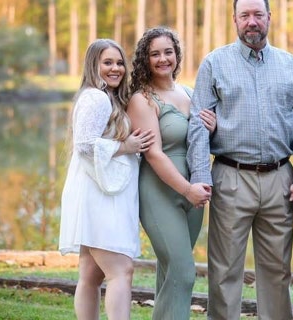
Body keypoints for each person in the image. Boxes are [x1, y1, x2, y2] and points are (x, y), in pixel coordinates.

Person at [186, 0, 293, 318]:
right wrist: (200, 174)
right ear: (235, 20)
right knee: (225, 270)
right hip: (230, 176)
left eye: (258, 14)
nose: (252, 22)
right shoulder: (215, 63)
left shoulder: (292, 66)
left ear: (269, 18)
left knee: (277, 271)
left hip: (280, 178)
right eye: (245, 15)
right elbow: (198, 123)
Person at [59, 38, 154, 320]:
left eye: (119, 62)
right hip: (100, 195)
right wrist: (127, 147)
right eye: (107, 63)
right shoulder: (97, 98)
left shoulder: (103, 96)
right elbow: (85, 145)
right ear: (93, 65)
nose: (116, 69)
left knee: (91, 274)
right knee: (121, 271)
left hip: (98, 191)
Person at [126, 26, 212, 320]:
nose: (163, 59)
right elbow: (154, 154)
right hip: (161, 192)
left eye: (168, 52)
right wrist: (187, 189)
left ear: (177, 54)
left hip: (193, 194)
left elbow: (200, 141)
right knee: (183, 272)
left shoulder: (189, 92)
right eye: (155, 54)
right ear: (145, 59)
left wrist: (211, 128)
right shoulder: (142, 99)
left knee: (170, 272)